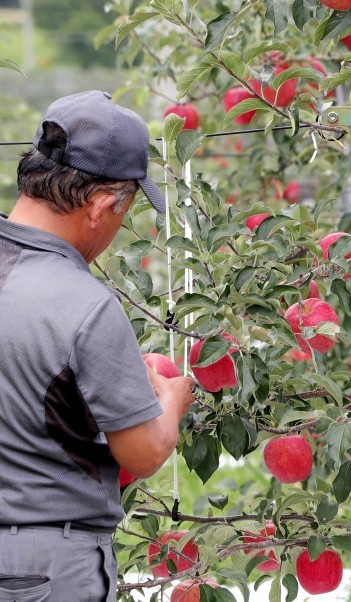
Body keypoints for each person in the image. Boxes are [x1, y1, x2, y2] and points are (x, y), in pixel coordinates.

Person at [0, 91, 196, 601]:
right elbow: (144, 450)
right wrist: (170, 400)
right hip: (45, 567)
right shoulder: (84, 306)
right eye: (124, 211)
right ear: (104, 204)